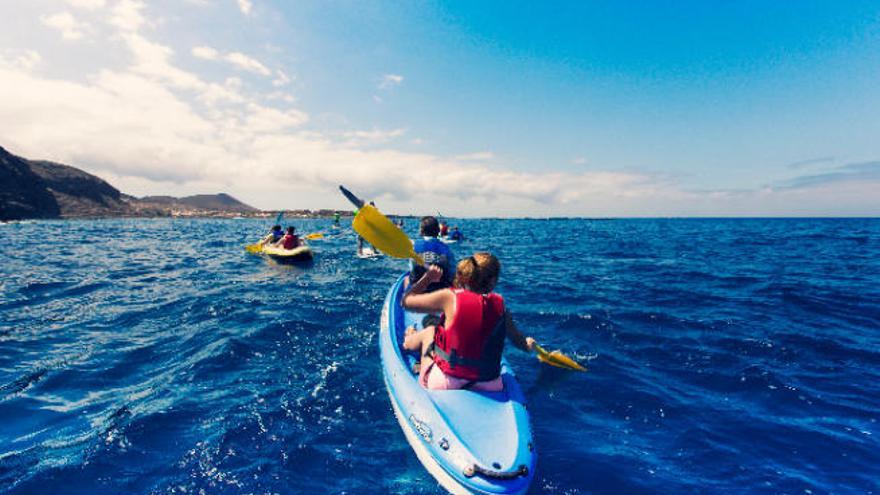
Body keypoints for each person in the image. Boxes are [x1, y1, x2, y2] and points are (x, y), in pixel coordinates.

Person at [402, 253, 537, 391]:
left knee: (430, 331)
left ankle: (409, 341)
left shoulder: (449, 297)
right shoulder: (501, 307)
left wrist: (427, 279)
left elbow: (406, 301)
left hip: (447, 382)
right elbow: (518, 341)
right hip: (490, 384)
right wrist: (527, 344)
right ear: (493, 281)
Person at [410, 216, 455, 292]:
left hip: (419, 290)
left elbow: (412, 269)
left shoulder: (414, 247)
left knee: (406, 279)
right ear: (438, 231)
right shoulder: (446, 249)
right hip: (441, 290)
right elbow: (452, 271)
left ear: (421, 231)